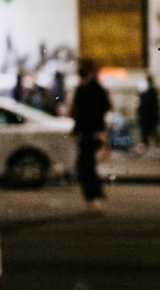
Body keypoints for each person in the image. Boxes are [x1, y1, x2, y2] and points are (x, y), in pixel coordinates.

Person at [70, 58, 112, 211]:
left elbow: (79, 112)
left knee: (85, 166)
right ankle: (95, 195)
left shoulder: (89, 88)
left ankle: (94, 196)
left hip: (91, 132)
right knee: (87, 165)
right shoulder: (91, 88)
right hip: (91, 131)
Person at [136, 74, 160, 150]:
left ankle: (146, 144)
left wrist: (139, 103)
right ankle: (154, 143)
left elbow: (144, 103)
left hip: (147, 115)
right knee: (151, 129)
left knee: (147, 129)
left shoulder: (147, 91)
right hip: (150, 115)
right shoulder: (152, 90)